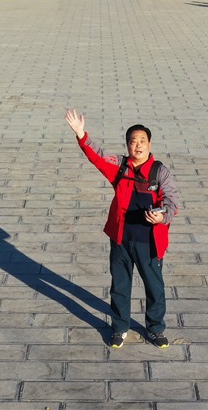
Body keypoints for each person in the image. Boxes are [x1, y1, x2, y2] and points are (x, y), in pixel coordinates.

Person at [65, 108, 181, 349]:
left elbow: (172, 201)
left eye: (142, 141)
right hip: (120, 239)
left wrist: (161, 217)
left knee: (154, 288)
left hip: (149, 242)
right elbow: (97, 156)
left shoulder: (160, 172)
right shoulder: (119, 167)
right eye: (132, 141)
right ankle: (119, 327)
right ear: (127, 145)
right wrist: (81, 134)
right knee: (120, 286)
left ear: (150, 144)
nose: (137, 146)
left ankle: (156, 329)